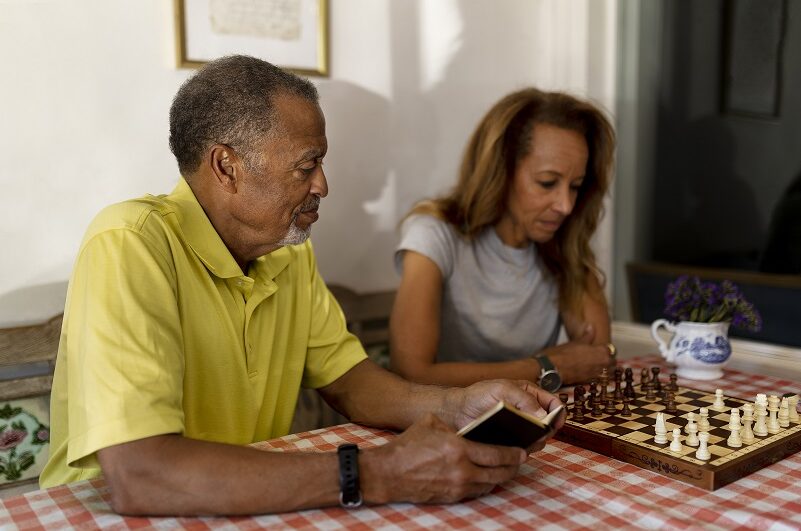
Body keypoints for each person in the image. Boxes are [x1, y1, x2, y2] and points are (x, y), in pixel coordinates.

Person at [39, 56, 563, 516]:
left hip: (233, 506)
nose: (323, 184)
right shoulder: (129, 243)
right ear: (227, 166)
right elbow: (141, 474)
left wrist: (456, 406)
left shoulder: (287, 253)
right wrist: (377, 473)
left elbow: (350, 381)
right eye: (307, 165)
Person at [390, 88, 616, 392]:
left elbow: (596, 358)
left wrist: (572, 245)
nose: (565, 205)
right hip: (447, 425)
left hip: (530, 421)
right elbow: (411, 374)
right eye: (547, 183)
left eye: (575, 186)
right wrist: (545, 366)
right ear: (500, 172)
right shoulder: (435, 234)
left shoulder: (558, 238)